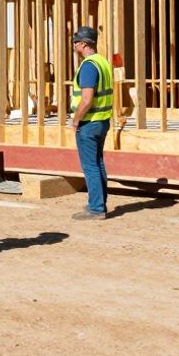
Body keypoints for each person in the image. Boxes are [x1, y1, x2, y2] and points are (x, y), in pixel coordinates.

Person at [69, 26, 115, 221]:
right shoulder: (102, 62)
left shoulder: (88, 66)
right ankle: (99, 202)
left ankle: (96, 208)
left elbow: (86, 99)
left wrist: (76, 120)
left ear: (84, 44)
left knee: (90, 166)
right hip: (102, 120)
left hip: (89, 123)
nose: (74, 45)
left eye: (76, 42)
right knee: (98, 163)